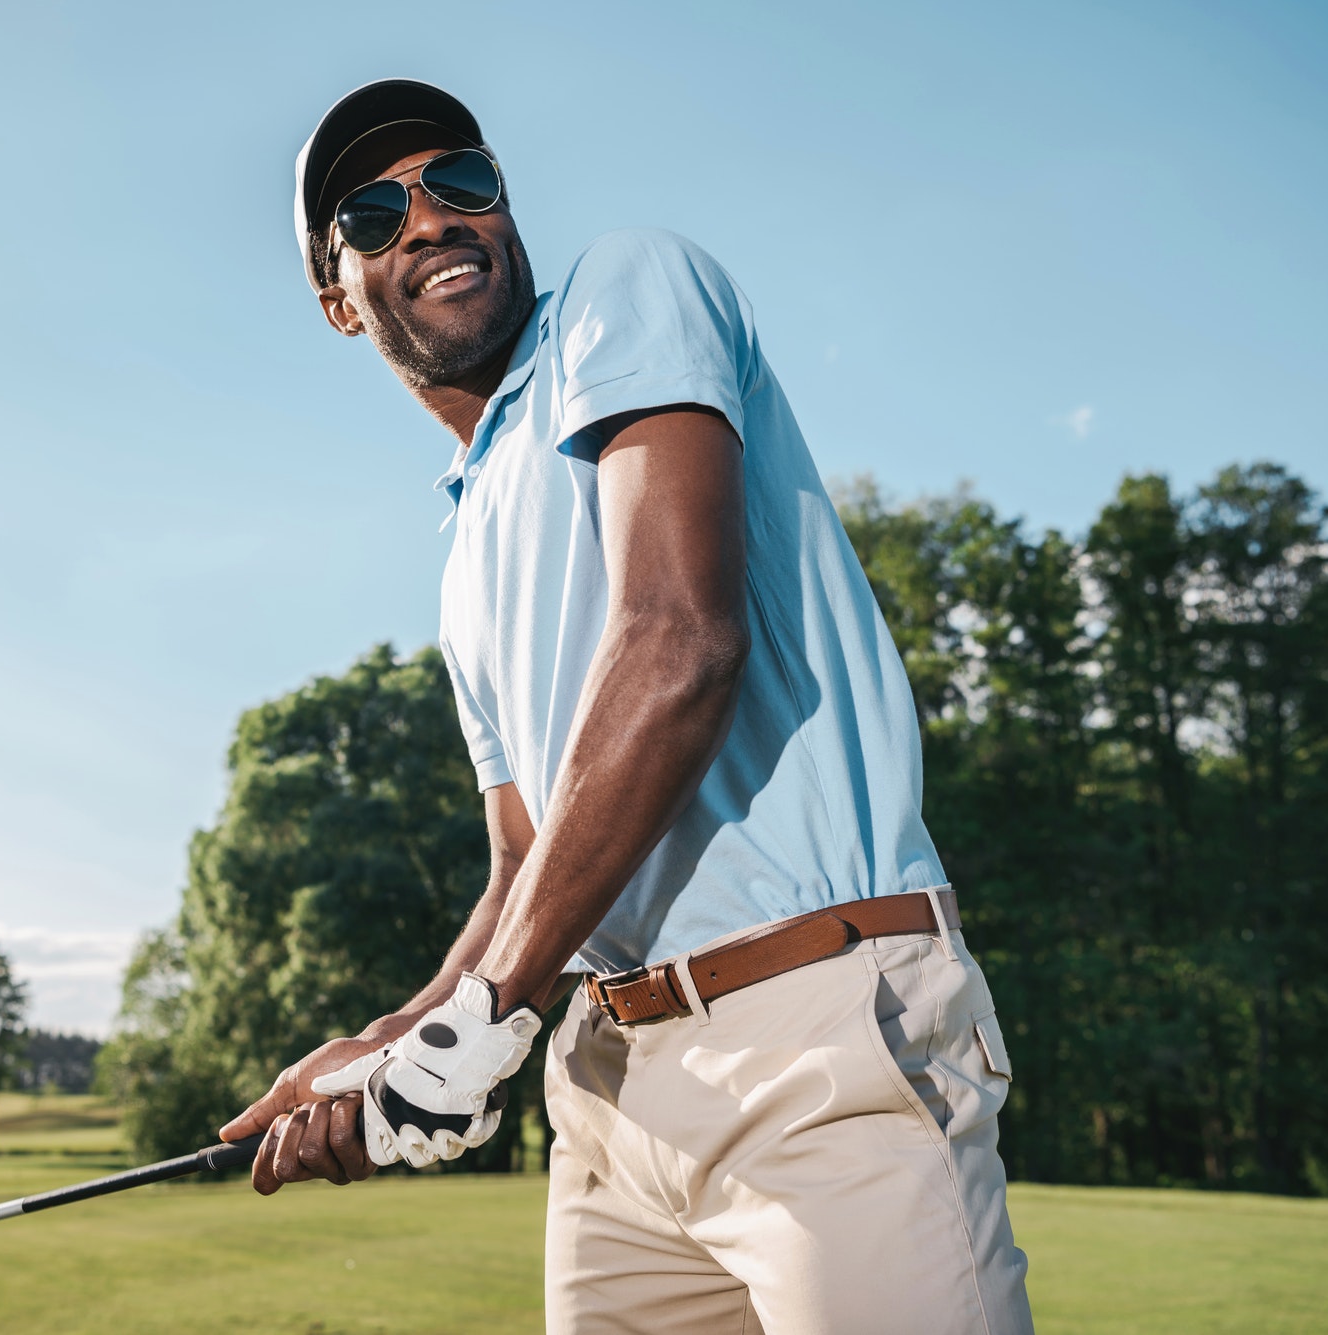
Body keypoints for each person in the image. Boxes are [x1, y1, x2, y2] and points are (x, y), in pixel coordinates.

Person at [221, 78, 1034, 1335]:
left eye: (459, 183)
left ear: (503, 209)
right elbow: (517, 864)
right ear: (338, 298)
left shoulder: (624, 291)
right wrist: (395, 1043)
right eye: (374, 213)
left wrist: (488, 1015)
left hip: (809, 1032)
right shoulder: (460, 554)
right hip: (603, 1095)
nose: (427, 218)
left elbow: (680, 645)